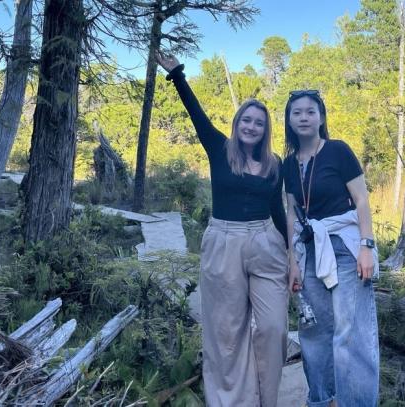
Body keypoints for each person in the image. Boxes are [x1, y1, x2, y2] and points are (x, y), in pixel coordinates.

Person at [156, 53, 288, 407]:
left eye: (258, 123)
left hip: (266, 243)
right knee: (226, 332)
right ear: (237, 122)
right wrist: (177, 75)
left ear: (265, 130)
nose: (251, 127)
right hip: (224, 242)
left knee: (274, 327)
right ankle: (232, 401)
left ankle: (267, 399)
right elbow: (196, 114)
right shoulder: (220, 149)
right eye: (246, 120)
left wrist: (293, 255)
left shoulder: (274, 164)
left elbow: (278, 211)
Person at [283, 90, 380, 406]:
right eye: (297, 112)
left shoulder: (338, 151)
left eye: (310, 111)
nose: (304, 117)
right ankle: (323, 400)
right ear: (289, 120)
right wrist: (292, 262)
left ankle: (356, 401)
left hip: (344, 247)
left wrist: (366, 246)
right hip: (310, 250)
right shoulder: (289, 164)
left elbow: (362, 200)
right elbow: (291, 213)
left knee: (351, 332)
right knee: (313, 332)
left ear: (321, 117)